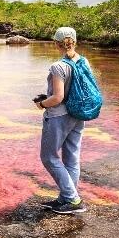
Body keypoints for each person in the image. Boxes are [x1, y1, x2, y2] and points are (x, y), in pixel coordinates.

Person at [34, 27, 87, 214]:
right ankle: (67, 197)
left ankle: (72, 199)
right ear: (74, 41)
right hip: (78, 114)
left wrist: (42, 104)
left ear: (56, 43)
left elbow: (57, 98)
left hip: (59, 116)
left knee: (48, 157)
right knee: (72, 157)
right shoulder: (83, 61)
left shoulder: (58, 66)